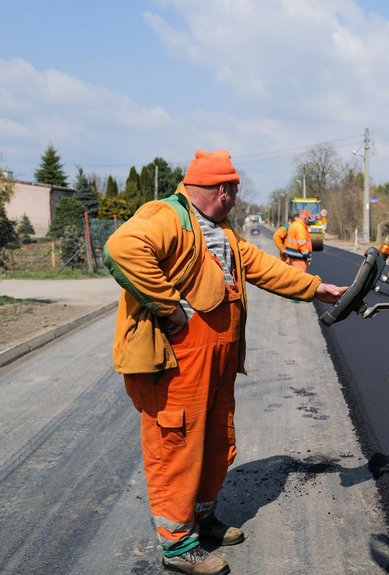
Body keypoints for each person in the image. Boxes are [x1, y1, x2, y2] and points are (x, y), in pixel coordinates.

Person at [103, 149, 346, 575]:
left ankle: (202, 518)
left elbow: (266, 268)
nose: (234, 196)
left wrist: (315, 287)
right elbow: (121, 248)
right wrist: (170, 309)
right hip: (179, 363)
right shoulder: (167, 216)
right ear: (222, 189)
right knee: (176, 447)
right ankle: (177, 545)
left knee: (217, 441)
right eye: (232, 189)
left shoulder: (222, 230)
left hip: (217, 362)